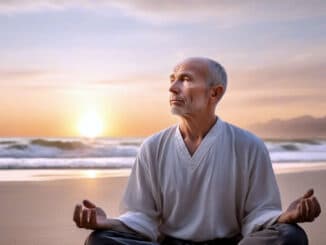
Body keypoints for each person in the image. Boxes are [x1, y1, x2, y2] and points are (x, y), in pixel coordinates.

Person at [73, 57, 321, 245]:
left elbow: (258, 213)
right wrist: (109, 223)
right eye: (172, 80)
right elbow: (142, 217)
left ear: (215, 92)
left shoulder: (249, 145)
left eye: (186, 79)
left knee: (291, 236)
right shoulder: (153, 147)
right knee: (100, 240)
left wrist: (284, 217)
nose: (173, 88)